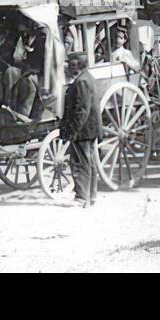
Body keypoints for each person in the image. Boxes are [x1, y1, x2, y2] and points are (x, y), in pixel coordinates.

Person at [61, 52, 102, 207]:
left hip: (83, 130)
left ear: (79, 65)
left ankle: (82, 197)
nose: (70, 68)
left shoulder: (82, 82)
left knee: (80, 162)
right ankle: (91, 196)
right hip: (89, 129)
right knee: (89, 162)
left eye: (72, 65)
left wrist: (73, 131)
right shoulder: (88, 78)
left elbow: (82, 110)